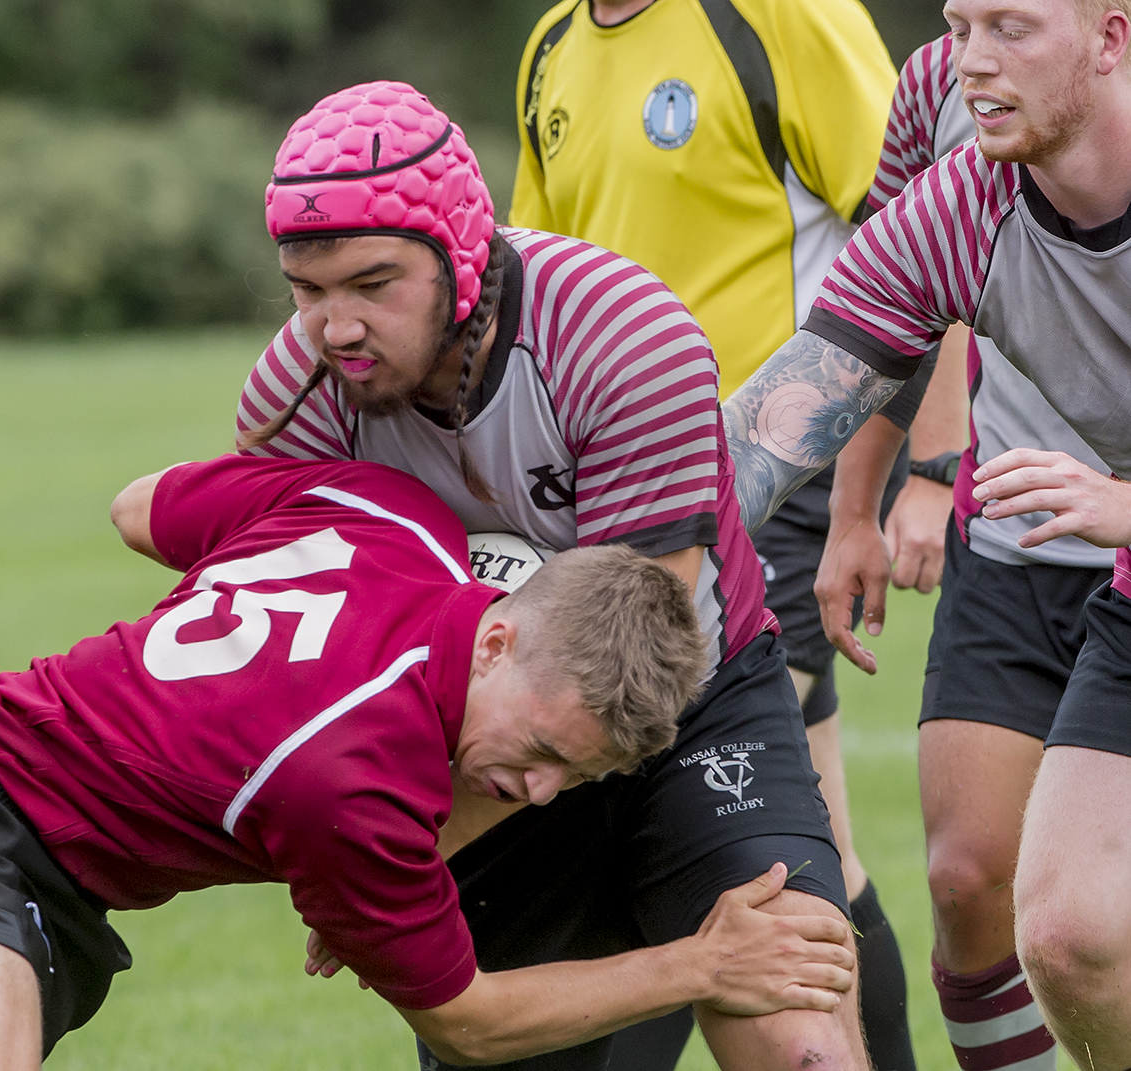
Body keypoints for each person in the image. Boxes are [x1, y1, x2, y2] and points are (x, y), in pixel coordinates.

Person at [0, 453, 860, 1071]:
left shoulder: (383, 509)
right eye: (535, 755)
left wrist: (203, 664)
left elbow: (138, 509)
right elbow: (468, 1021)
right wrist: (700, 966)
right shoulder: (354, 787)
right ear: (496, 634)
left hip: (39, 861)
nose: (533, 797)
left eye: (567, 782)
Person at [239, 81, 869, 1071]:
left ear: (461, 254)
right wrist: (367, 842)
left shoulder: (620, 337)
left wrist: (409, 855)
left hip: (688, 697)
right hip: (488, 743)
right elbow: (314, 660)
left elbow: (622, 669)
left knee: (801, 1041)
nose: (337, 330)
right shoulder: (300, 402)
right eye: (307, 291)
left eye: (372, 284)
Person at [507, 0, 923, 1063]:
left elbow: (923, 238)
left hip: (763, 489)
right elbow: (528, 279)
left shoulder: (781, 15)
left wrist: (889, 487)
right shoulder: (553, 44)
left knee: (681, 817)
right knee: (816, 843)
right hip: (603, 509)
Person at [721, 0, 1131, 1065]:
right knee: (1066, 933)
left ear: (1112, 36)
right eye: (960, 28)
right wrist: (627, 545)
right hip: (1082, 566)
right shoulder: (959, 207)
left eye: (1011, 29)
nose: (973, 65)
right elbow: (787, 411)